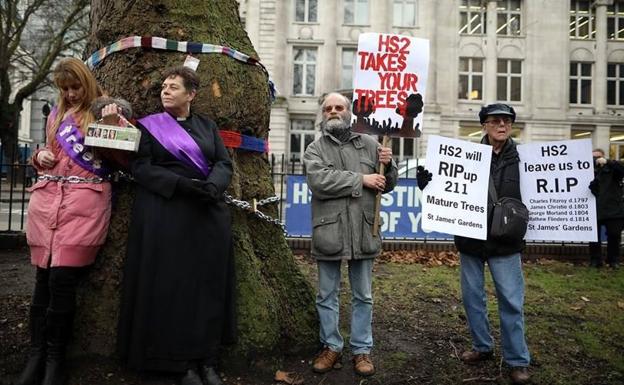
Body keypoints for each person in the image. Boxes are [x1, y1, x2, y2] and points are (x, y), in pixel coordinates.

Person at [117, 66, 234, 385]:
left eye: (173, 87)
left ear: (191, 94)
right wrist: (180, 185)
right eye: (164, 87)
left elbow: (223, 163)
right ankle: (178, 363)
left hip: (206, 215)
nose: (166, 91)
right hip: (166, 214)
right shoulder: (149, 128)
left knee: (206, 288)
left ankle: (207, 358)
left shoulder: (208, 127)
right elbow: (141, 168)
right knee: (173, 289)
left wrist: (213, 186)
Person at [17, 57, 127, 385]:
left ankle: (54, 359)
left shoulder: (103, 112)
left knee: (62, 283)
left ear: (86, 82)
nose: (72, 93)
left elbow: (123, 158)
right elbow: (48, 154)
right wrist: (40, 157)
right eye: (65, 88)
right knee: (41, 282)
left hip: (83, 206)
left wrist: (115, 125)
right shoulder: (56, 115)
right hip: (48, 204)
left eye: (76, 86)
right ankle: (36, 355)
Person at [417, 103, 530, 385]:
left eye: (506, 121)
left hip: (506, 243)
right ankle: (482, 346)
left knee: (511, 302)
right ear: (485, 126)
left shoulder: (526, 159)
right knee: (472, 299)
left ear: (511, 126)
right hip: (471, 240)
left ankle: (517, 360)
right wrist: (427, 184)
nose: (501, 125)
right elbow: (445, 187)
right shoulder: (468, 157)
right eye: (495, 121)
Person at [303, 92, 398, 377]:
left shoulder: (370, 144)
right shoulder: (315, 149)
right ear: (323, 114)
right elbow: (319, 182)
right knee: (326, 294)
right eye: (328, 108)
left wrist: (388, 165)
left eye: (339, 107)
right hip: (329, 230)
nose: (333, 111)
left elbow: (386, 184)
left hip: (363, 230)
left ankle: (361, 350)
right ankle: (331, 346)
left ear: (349, 112)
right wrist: (360, 179)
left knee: (364, 295)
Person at [588, 148, 624, 269]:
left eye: (598, 157)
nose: (595, 160)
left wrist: (608, 162)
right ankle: (595, 260)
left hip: (613, 209)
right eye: (593, 158)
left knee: (614, 235)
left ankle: (613, 260)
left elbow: (621, 169)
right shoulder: (589, 172)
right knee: (594, 237)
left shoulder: (613, 170)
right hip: (595, 209)